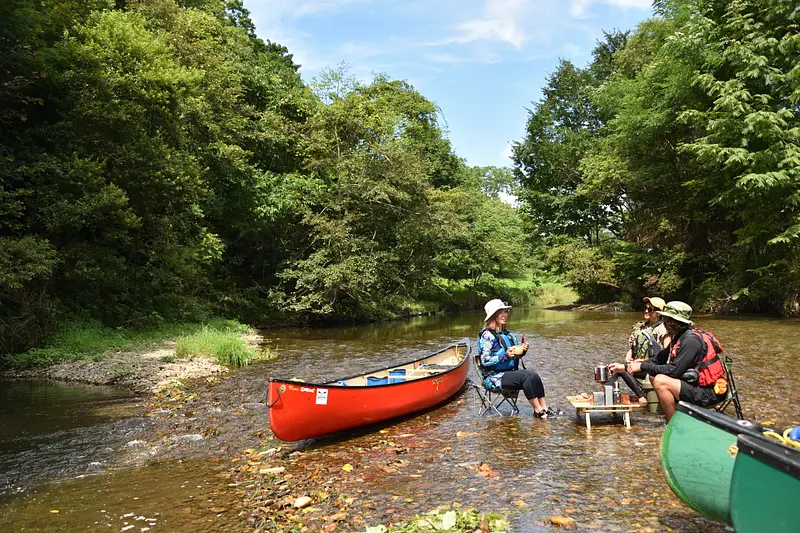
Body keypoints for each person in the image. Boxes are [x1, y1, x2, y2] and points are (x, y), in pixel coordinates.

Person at [608, 301, 726, 421]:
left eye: (664, 317)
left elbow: (673, 371)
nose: (662, 320)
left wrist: (642, 366)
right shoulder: (679, 337)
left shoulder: (691, 341)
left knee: (660, 380)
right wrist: (627, 366)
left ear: (672, 322)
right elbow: (658, 359)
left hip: (709, 393)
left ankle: (672, 424)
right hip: (695, 386)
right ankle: (677, 416)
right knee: (654, 376)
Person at [477, 299, 560, 419]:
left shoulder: (508, 334)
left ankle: (544, 408)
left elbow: (515, 355)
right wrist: (504, 356)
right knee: (525, 376)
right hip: (493, 378)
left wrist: (523, 350)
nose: (504, 315)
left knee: (534, 375)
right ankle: (538, 411)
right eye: (500, 312)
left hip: (509, 374)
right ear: (493, 316)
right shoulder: (487, 336)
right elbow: (485, 361)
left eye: (505, 312)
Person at [606, 296, 671, 407]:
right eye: (645, 308)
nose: (646, 311)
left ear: (659, 313)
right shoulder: (641, 328)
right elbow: (632, 347)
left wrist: (642, 362)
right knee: (618, 367)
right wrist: (628, 357)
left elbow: (667, 354)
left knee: (622, 369)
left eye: (650, 310)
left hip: (654, 367)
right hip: (640, 365)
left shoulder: (663, 330)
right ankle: (606, 394)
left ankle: (641, 397)